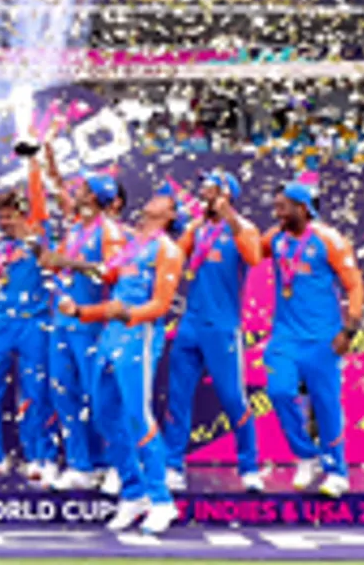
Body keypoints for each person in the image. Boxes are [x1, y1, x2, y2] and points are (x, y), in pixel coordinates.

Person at [58, 192, 183, 535]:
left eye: (161, 200)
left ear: (170, 214)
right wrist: (81, 311)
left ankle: (161, 501)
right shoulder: (132, 244)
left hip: (139, 336)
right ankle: (133, 493)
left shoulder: (167, 249)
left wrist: (127, 314)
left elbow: (161, 305)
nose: (153, 199)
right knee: (104, 414)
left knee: (138, 415)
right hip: (111, 335)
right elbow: (111, 290)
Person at [163, 170, 264, 492]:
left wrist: (229, 219)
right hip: (190, 323)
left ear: (227, 193)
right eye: (203, 185)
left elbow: (254, 257)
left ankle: (249, 467)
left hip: (222, 328)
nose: (203, 191)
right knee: (178, 397)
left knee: (234, 398)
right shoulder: (197, 228)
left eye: (211, 187)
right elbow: (176, 257)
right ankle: (172, 465)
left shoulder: (243, 227)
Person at [262, 181, 364, 499]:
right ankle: (306, 455)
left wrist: (349, 331)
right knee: (279, 392)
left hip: (323, 338)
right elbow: (252, 252)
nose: (276, 211)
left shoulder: (328, 239)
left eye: (282, 206)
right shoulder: (277, 237)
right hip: (285, 336)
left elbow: (355, 286)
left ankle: (337, 472)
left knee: (326, 405)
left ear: (302, 208)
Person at [40, 139, 127, 490]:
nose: (76, 192)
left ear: (95, 197)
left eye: (83, 189)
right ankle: (80, 465)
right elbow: (59, 190)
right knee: (64, 393)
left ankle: (116, 465)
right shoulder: (77, 225)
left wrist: (67, 262)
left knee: (101, 398)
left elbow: (113, 272)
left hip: (92, 324)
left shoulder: (110, 230)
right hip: (62, 322)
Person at [0, 161, 52, 482]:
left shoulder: (40, 237)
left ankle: (40, 457)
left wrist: (32, 160)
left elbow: (47, 263)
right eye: (0, 217)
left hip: (35, 322)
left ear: (23, 214)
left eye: (9, 216)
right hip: (1, 322)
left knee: (34, 391)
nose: (4, 222)